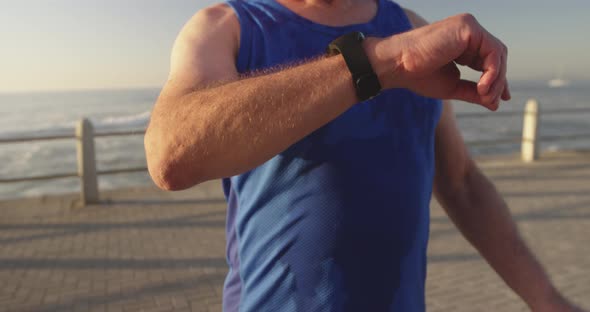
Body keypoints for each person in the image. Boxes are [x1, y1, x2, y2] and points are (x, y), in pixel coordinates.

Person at [144, 0, 584, 311]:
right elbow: (171, 154)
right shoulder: (228, 26)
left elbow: (462, 183)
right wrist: (381, 62)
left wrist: (547, 301)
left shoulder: (408, 24)